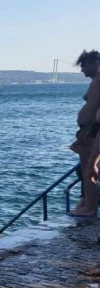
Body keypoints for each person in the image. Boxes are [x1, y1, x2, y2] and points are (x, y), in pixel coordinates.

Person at [70, 50, 100, 216]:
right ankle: (87, 204)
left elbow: (94, 109)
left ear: (95, 63)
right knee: (85, 169)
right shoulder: (95, 81)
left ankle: (89, 208)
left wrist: (86, 130)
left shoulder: (99, 81)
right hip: (88, 130)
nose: (82, 69)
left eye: (84, 65)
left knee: (89, 168)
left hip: (91, 131)